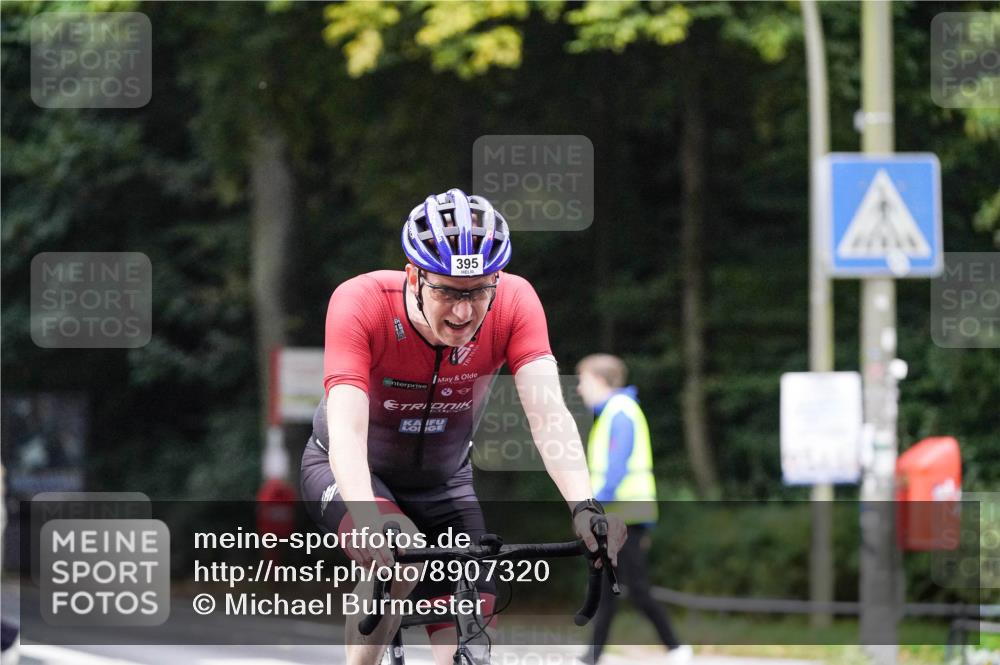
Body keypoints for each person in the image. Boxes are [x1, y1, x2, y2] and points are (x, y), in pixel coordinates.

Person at [300, 189, 626, 665]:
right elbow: (347, 433)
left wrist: (584, 506)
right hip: (352, 470)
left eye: (477, 292)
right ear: (414, 276)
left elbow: (547, 412)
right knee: (400, 558)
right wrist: (368, 521)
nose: (462, 312)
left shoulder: (516, 303)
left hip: (444, 480)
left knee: (471, 620)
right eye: (447, 291)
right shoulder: (362, 302)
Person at [575, 354, 692, 664]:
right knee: (605, 587)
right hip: (620, 515)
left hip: (624, 515)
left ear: (600, 381)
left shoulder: (620, 412)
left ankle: (676, 648)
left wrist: (592, 507)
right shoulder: (615, 412)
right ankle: (593, 655)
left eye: (583, 381)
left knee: (636, 588)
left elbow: (616, 468)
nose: (579, 389)